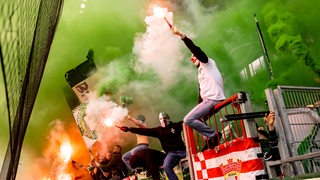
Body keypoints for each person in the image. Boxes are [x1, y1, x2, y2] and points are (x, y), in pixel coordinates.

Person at [171, 28, 225, 148]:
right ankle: (209, 140)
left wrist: (181, 35)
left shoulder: (208, 63)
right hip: (208, 100)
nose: (192, 58)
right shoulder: (202, 73)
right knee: (197, 119)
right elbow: (201, 96)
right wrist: (198, 107)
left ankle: (213, 135)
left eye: (194, 56)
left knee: (188, 119)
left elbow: (196, 49)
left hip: (213, 99)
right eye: (192, 58)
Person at [119, 112, 186, 180]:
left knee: (194, 158)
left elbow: (187, 121)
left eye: (164, 118)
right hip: (171, 153)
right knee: (166, 166)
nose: (163, 120)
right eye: (161, 119)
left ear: (168, 118)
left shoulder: (175, 126)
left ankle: (137, 169)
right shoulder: (159, 130)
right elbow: (145, 131)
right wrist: (129, 129)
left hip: (183, 150)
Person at [258, 111, 281, 176]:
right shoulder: (255, 151)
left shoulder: (270, 148)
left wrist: (270, 126)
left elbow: (273, 141)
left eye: (259, 136)